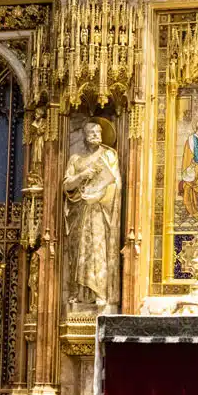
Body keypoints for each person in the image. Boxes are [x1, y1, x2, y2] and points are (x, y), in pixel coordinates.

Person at [63, 120, 123, 311]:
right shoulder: (75, 159)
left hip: (100, 210)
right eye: (92, 132)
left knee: (98, 251)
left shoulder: (109, 155)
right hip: (80, 212)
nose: (96, 135)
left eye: (98, 132)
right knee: (80, 251)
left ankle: (100, 292)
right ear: (84, 135)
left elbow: (116, 183)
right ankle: (80, 293)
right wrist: (82, 176)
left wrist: (99, 194)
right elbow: (66, 185)